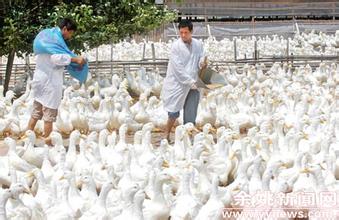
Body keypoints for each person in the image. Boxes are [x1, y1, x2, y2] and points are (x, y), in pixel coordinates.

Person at [27, 18, 86, 145]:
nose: (70, 36)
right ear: (65, 29)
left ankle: (28, 139)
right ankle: (48, 145)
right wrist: (75, 59)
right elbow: (56, 58)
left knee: (36, 112)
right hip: (49, 83)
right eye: (70, 33)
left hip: (39, 80)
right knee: (49, 115)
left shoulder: (47, 37)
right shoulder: (56, 42)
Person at [161, 19, 207, 141]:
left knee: (191, 111)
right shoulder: (176, 47)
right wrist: (188, 81)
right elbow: (178, 68)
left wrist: (202, 61)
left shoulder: (198, 44)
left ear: (191, 31)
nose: (183, 35)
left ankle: (188, 138)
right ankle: (166, 134)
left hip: (194, 82)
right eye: (181, 32)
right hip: (178, 83)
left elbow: (202, 55)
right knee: (173, 112)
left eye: (186, 32)